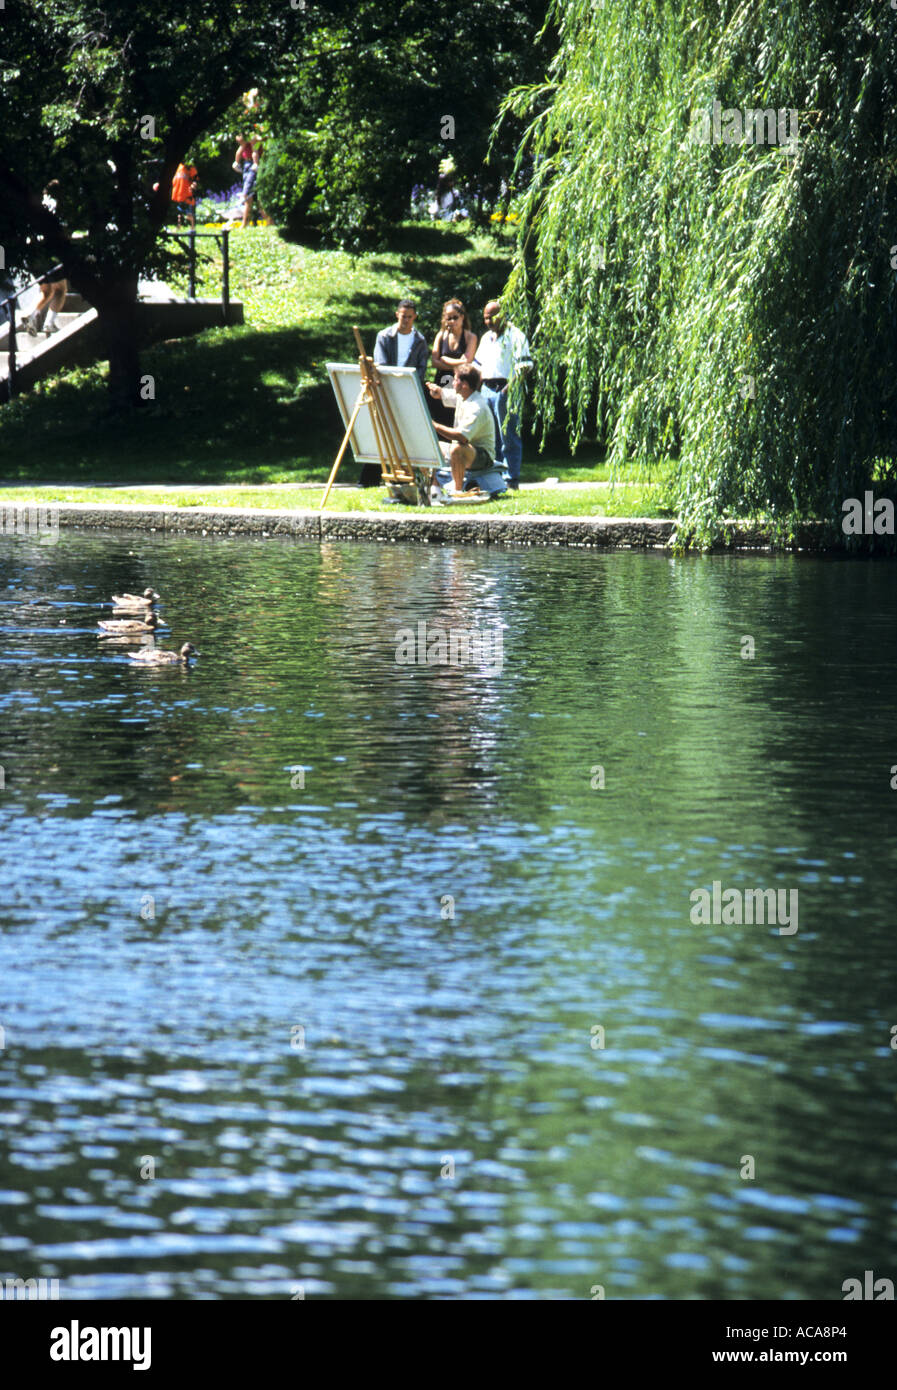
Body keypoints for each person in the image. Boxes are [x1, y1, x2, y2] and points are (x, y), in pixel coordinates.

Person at [475, 300, 533, 490]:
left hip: (506, 388)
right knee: (491, 436)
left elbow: (523, 368)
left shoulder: (515, 335)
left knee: (508, 434)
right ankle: (495, 476)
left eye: (492, 316)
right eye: (485, 317)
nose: (488, 321)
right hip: (487, 389)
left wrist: (507, 390)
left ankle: (511, 478)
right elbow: (478, 366)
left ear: (503, 314)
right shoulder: (486, 338)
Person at [427, 363, 506, 499]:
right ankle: (434, 490)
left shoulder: (477, 407)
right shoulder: (463, 396)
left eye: (456, 379)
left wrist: (434, 426)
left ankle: (457, 494)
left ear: (464, 385)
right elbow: (445, 394)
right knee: (432, 446)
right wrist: (437, 391)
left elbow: (462, 437)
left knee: (457, 448)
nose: (452, 382)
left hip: (483, 456)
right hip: (468, 449)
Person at [20, 182, 68, 336]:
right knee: (61, 290)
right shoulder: (57, 206)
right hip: (48, 253)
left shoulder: (37, 204)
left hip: (32, 253)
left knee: (46, 290)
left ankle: (31, 315)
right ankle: (49, 324)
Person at [428, 300, 477, 429]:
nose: (452, 321)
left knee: (457, 420)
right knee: (440, 418)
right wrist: (457, 364)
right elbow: (434, 362)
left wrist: (444, 359)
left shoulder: (470, 337)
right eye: (448, 318)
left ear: (462, 317)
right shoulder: (441, 336)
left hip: (461, 384)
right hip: (442, 382)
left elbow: (467, 362)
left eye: (455, 317)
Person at [373, 299, 429, 385]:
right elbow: (381, 364)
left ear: (415, 316)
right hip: (387, 384)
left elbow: (421, 369)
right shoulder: (384, 336)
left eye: (409, 317)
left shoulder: (420, 341)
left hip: (410, 385)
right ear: (397, 315)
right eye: (403, 316)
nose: (406, 320)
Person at [233, 133, 264, 228]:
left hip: (253, 164)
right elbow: (239, 139)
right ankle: (245, 223)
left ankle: (268, 220)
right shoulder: (244, 130)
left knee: (247, 194)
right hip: (246, 163)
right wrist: (244, 140)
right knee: (250, 197)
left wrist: (253, 139)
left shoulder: (257, 130)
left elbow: (261, 139)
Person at [171, 157, 199, 228]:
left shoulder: (190, 167)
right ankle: (179, 227)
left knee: (189, 214)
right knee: (179, 214)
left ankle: (192, 228)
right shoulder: (177, 167)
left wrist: (194, 185)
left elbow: (195, 179)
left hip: (187, 195)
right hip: (178, 195)